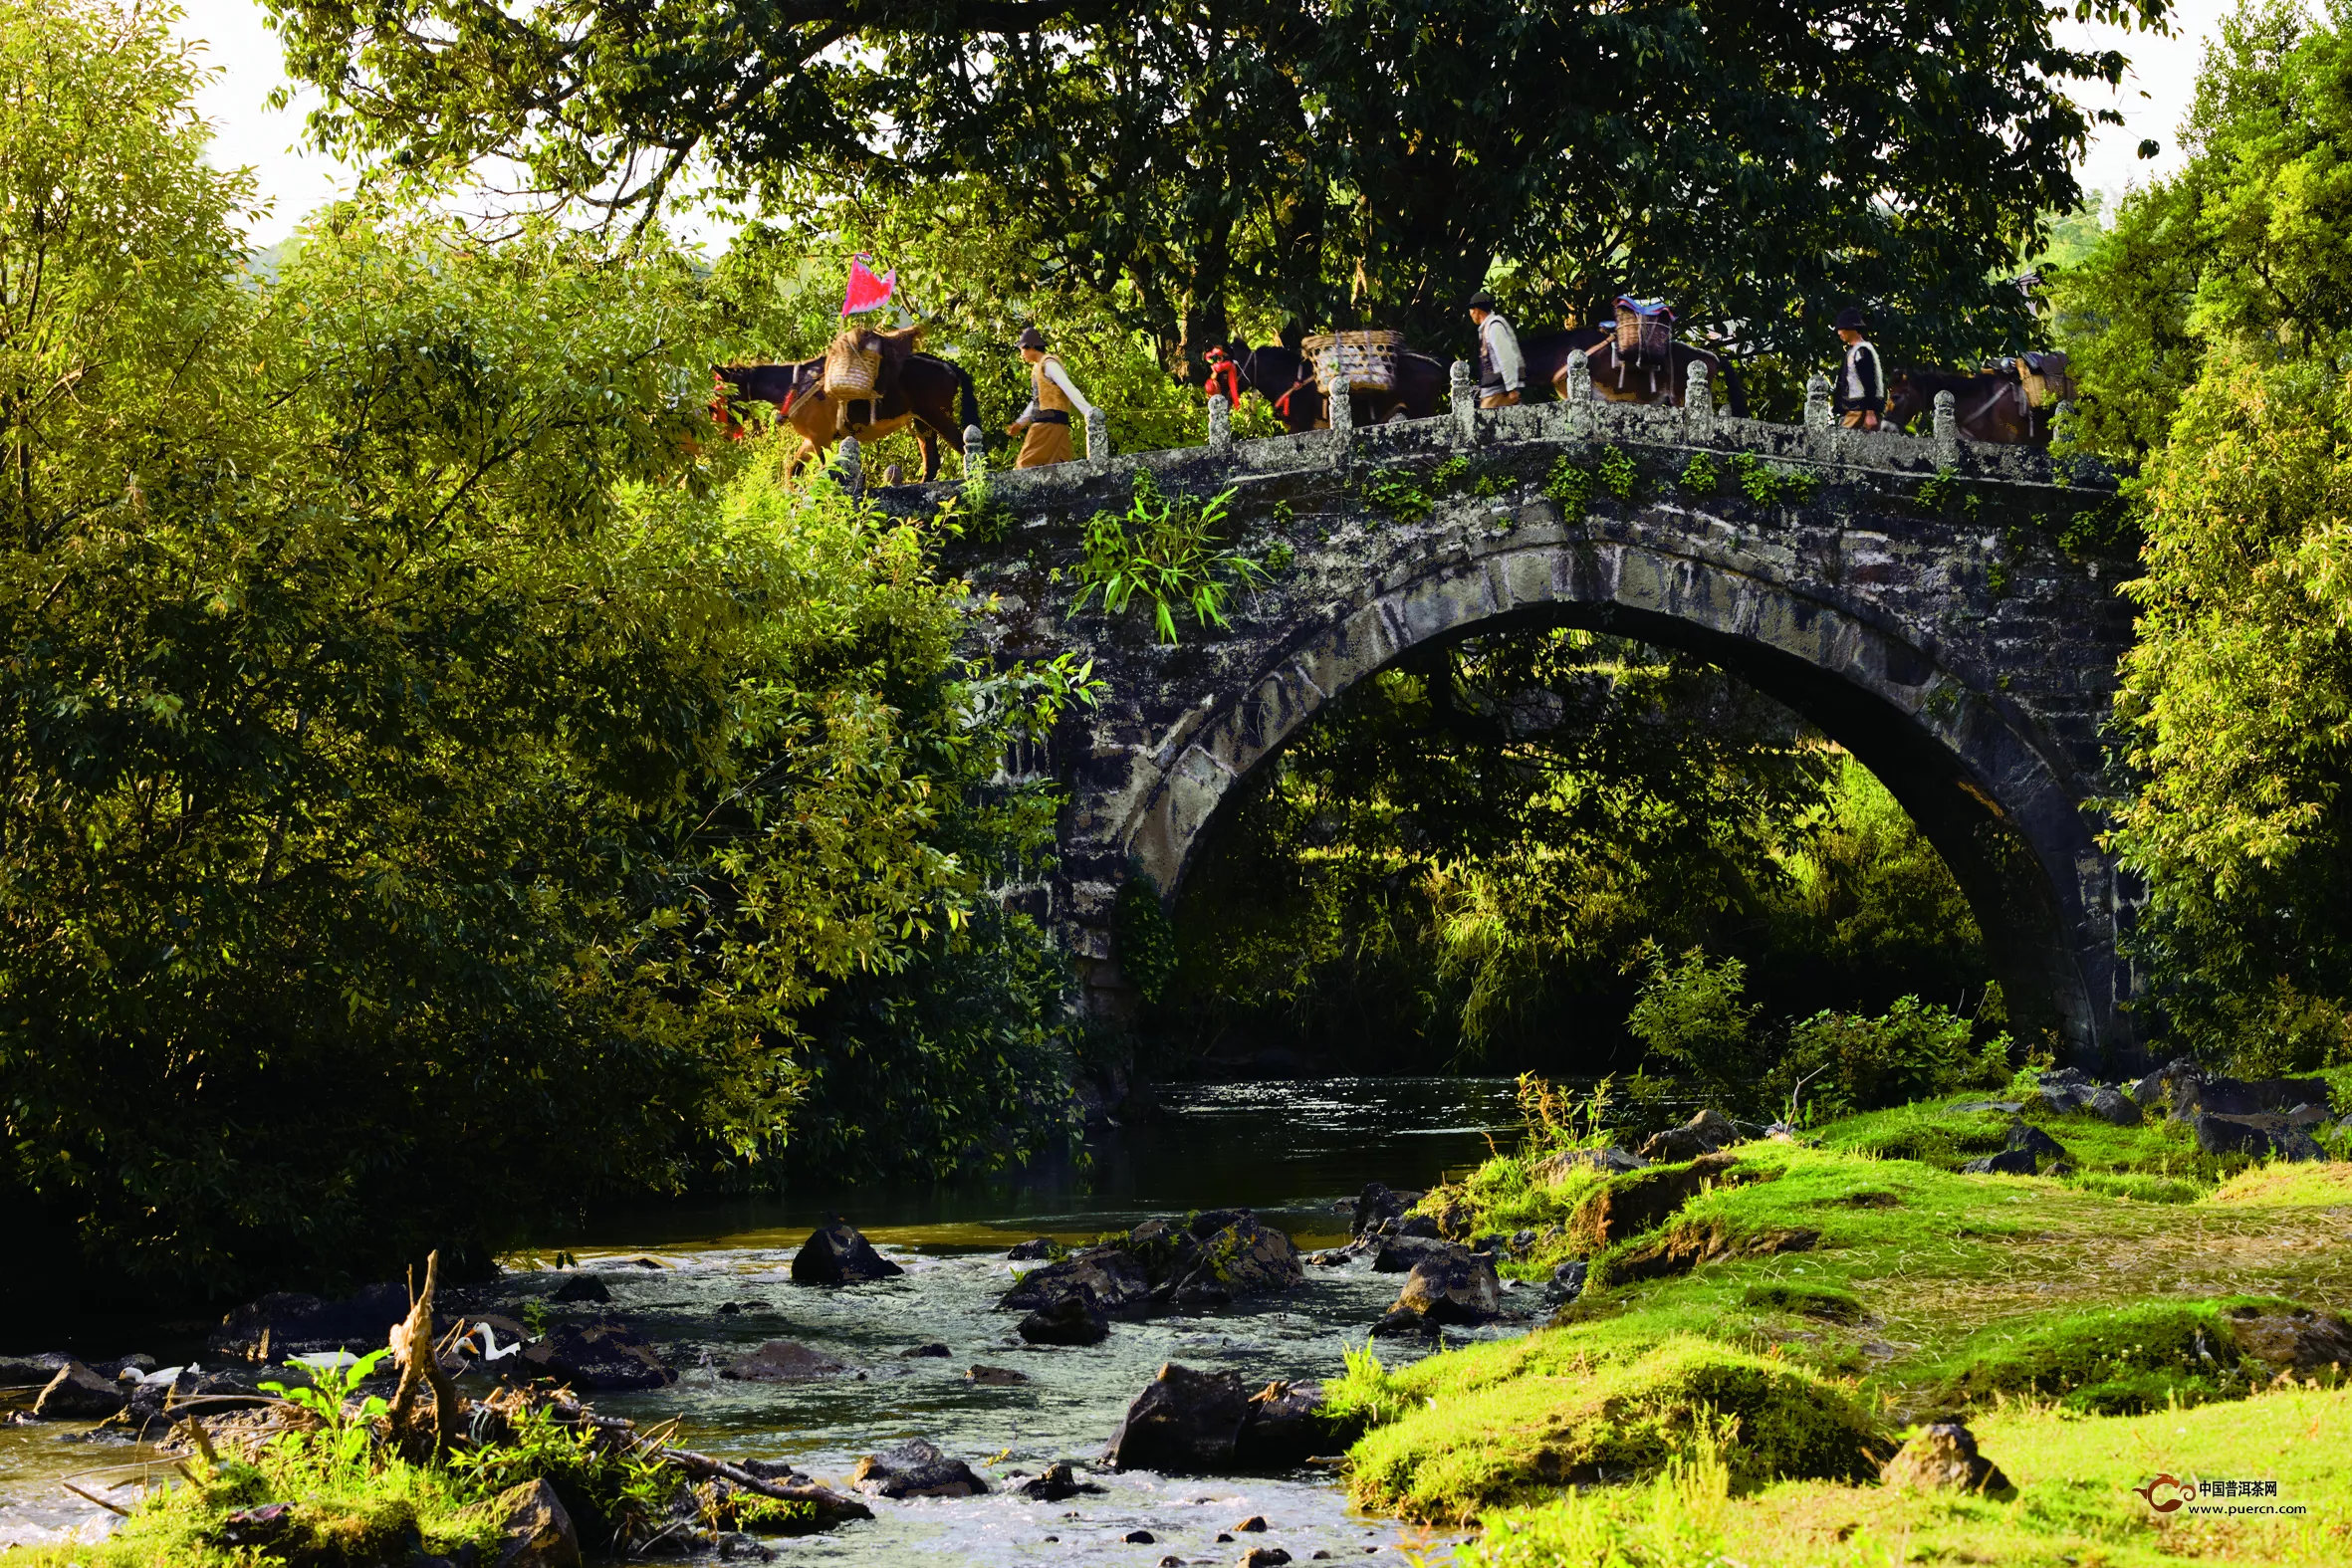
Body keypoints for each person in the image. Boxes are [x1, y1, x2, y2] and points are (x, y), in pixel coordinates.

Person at [1006, 327, 1099, 468]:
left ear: (1030, 346)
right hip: (1056, 425)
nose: (1021, 354)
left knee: (1025, 464)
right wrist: (1021, 423)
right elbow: (1037, 400)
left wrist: (1089, 413)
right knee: (1058, 468)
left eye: (1022, 349)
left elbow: (1069, 388)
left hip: (1046, 426)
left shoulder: (1049, 364)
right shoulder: (1038, 368)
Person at [1468, 292, 1524, 408]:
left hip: (1499, 388)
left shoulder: (1494, 327)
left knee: (1485, 420)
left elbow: (1506, 358)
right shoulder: (1487, 328)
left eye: (1471, 310)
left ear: (1476, 310)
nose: (1470, 314)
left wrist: (1512, 388)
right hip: (1493, 388)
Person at [1833, 308, 1884, 431]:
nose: (1839, 332)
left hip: (1859, 409)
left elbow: (1869, 381)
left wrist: (1870, 412)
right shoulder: (1854, 351)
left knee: (1841, 443)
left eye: (1842, 328)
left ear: (1851, 328)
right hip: (1853, 408)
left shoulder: (1862, 351)